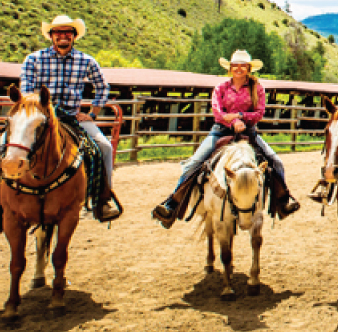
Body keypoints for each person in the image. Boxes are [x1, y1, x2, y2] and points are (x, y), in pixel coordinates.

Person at [151, 50, 300, 227]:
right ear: (230, 68)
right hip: (220, 131)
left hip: (248, 132)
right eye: (235, 65)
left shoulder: (257, 88)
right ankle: (171, 206)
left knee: (276, 162)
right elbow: (218, 113)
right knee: (192, 164)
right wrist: (234, 121)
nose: (238, 68)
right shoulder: (221, 88)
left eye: (242, 65)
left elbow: (259, 113)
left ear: (248, 68)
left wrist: (238, 116)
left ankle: (283, 202)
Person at [17, 14, 119, 220]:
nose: (63, 36)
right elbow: (27, 90)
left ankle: (103, 198)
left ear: (73, 36)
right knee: (6, 145)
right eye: (58, 32)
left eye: (67, 32)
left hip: (72, 117)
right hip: (39, 117)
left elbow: (102, 86)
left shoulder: (86, 61)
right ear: (51, 36)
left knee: (104, 147)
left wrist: (92, 114)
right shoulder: (34, 59)